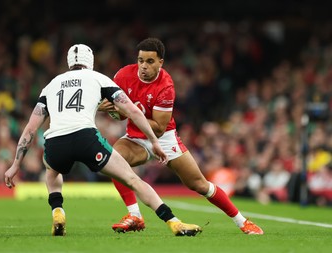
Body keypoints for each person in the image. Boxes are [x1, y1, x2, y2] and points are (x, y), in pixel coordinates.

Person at [4, 44, 201, 237]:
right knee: (132, 179)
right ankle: (173, 222)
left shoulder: (51, 85)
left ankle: (58, 211)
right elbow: (132, 110)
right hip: (86, 138)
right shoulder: (98, 78)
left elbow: (30, 129)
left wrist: (15, 165)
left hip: (56, 141)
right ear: (90, 61)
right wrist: (154, 141)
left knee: (51, 169)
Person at [99, 38, 264, 235]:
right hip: (136, 137)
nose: (143, 66)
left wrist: (126, 112)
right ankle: (135, 215)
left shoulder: (166, 85)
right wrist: (106, 108)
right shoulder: (123, 75)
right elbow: (112, 109)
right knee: (113, 160)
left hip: (165, 139)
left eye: (150, 61)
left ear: (161, 62)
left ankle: (242, 221)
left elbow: (159, 128)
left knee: (200, 185)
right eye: (140, 60)